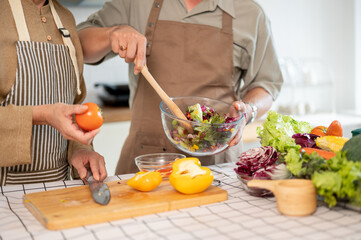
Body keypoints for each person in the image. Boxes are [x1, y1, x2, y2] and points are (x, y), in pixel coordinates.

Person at [77, 0, 283, 174]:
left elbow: (267, 84)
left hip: (220, 167)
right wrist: (113, 33)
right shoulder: (135, 3)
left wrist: (248, 110)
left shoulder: (251, 14)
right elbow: (79, 45)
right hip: (147, 162)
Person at [0, 0, 107, 185]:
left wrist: (80, 149)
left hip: (58, 190)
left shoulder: (65, 18)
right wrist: (44, 115)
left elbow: (75, 105)